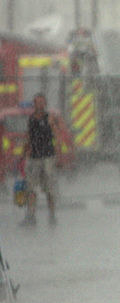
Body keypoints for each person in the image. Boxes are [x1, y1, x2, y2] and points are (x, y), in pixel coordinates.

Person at [21, 94, 66, 227]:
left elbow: (57, 137)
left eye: (41, 102)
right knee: (31, 189)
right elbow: (28, 137)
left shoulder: (50, 118)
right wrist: (24, 154)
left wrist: (59, 156)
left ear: (45, 104)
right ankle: (31, 216)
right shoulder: (31, 119)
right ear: (34, 104)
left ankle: (52, 216)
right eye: (36, 102)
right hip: (34, 158)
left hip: (48, 157)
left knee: (49, 189)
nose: (39, 105)